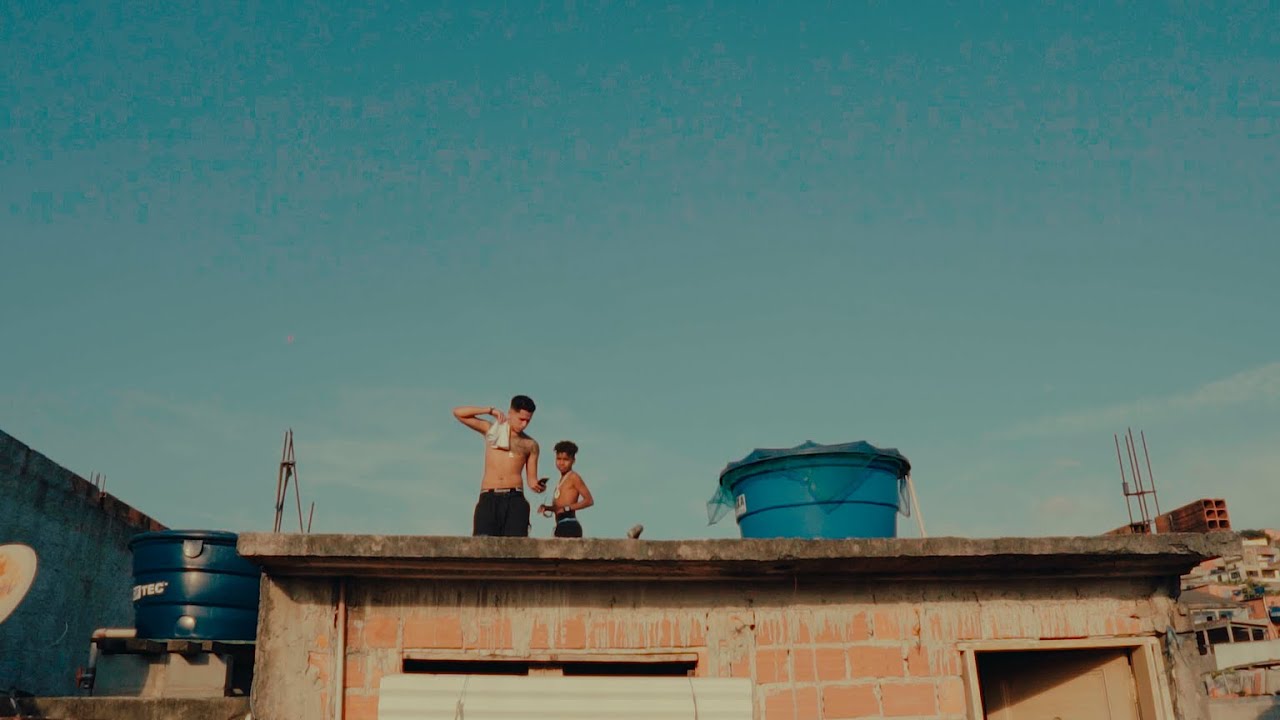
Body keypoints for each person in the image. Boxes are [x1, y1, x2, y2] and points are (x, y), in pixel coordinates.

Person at [452, 395, 546, 537]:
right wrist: (490, 411)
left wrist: (538, 486)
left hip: (515, 498)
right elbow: (458, 413)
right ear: (511, 413)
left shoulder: (531, 444)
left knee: (516, 547)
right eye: (521, 419)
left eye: (528, 421)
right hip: (489, 496)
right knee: (482, 545)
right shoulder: (492, 430)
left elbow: (532, 480)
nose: (524, 424)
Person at [538, 440, 593, 538]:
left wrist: (567, 508)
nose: (561, 463)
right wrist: (547, 508)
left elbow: (589, 501)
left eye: (566, 459)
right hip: (560, 524)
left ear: (573, 460)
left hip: (570, 524)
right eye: (558, 459)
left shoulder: (574, 477)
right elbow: (560, 508)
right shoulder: (561, 480)